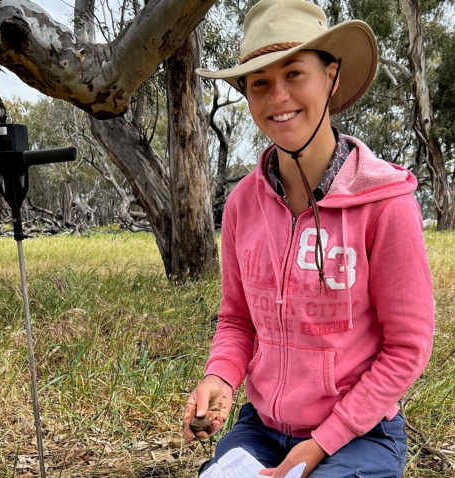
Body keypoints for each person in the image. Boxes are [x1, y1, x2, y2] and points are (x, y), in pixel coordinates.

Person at [183, 0, 435, 477]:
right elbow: (238, 319)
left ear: (331, 77)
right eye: (260, 83)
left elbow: (408, 347)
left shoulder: (386, 204)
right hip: (261, 426)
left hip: (359, 434)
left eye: (294, 73)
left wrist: (322, 443)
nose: (278, 96)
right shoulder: (241, 205)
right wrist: (219, 377)